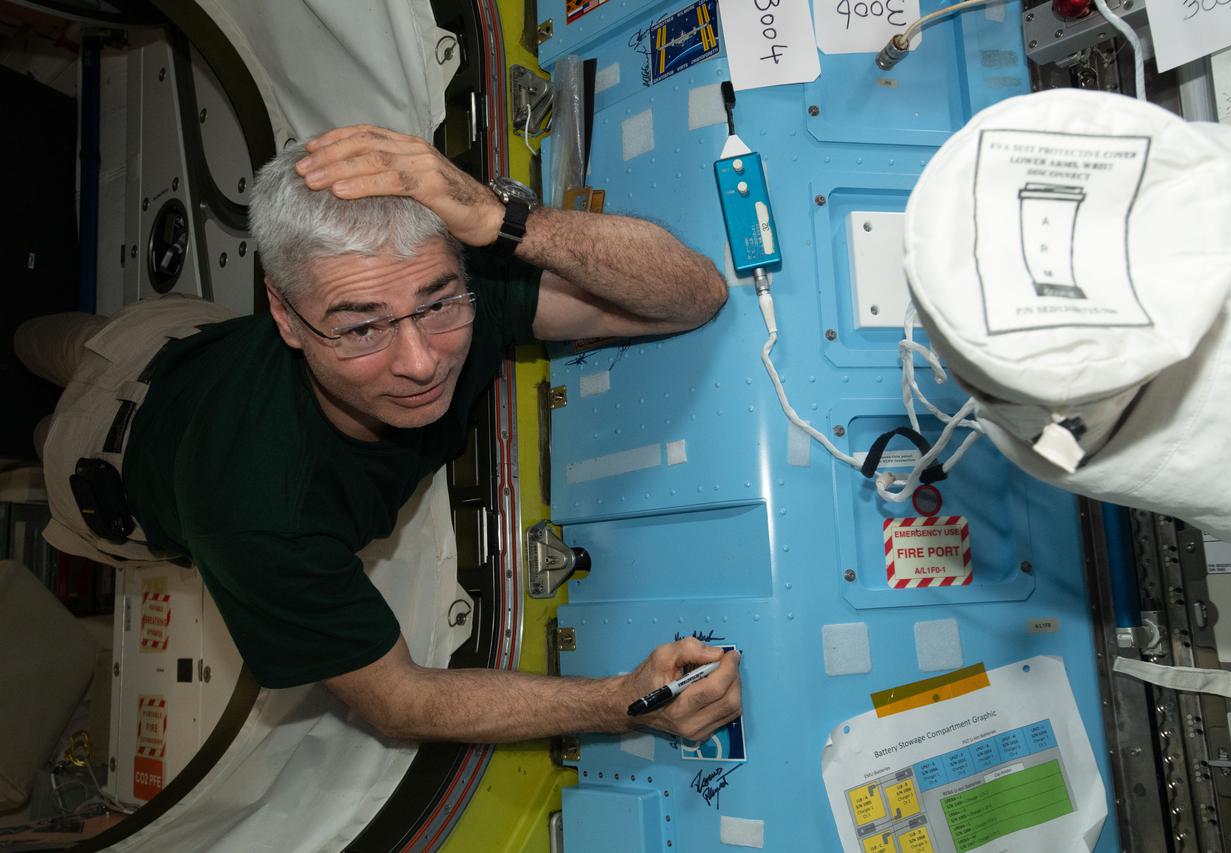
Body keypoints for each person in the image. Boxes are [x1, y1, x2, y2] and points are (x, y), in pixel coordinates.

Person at [16, 124, 741, 745]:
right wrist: (618, 702)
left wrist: (502, 220)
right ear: (285, 313)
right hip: (101, 451)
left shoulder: (451, 282)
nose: (423, 362)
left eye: (438, 303)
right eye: (361, 326)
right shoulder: (257, 512)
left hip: (176, 339)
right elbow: (399, 699)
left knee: (51, 351)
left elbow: (695, 295)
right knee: (36, 363)